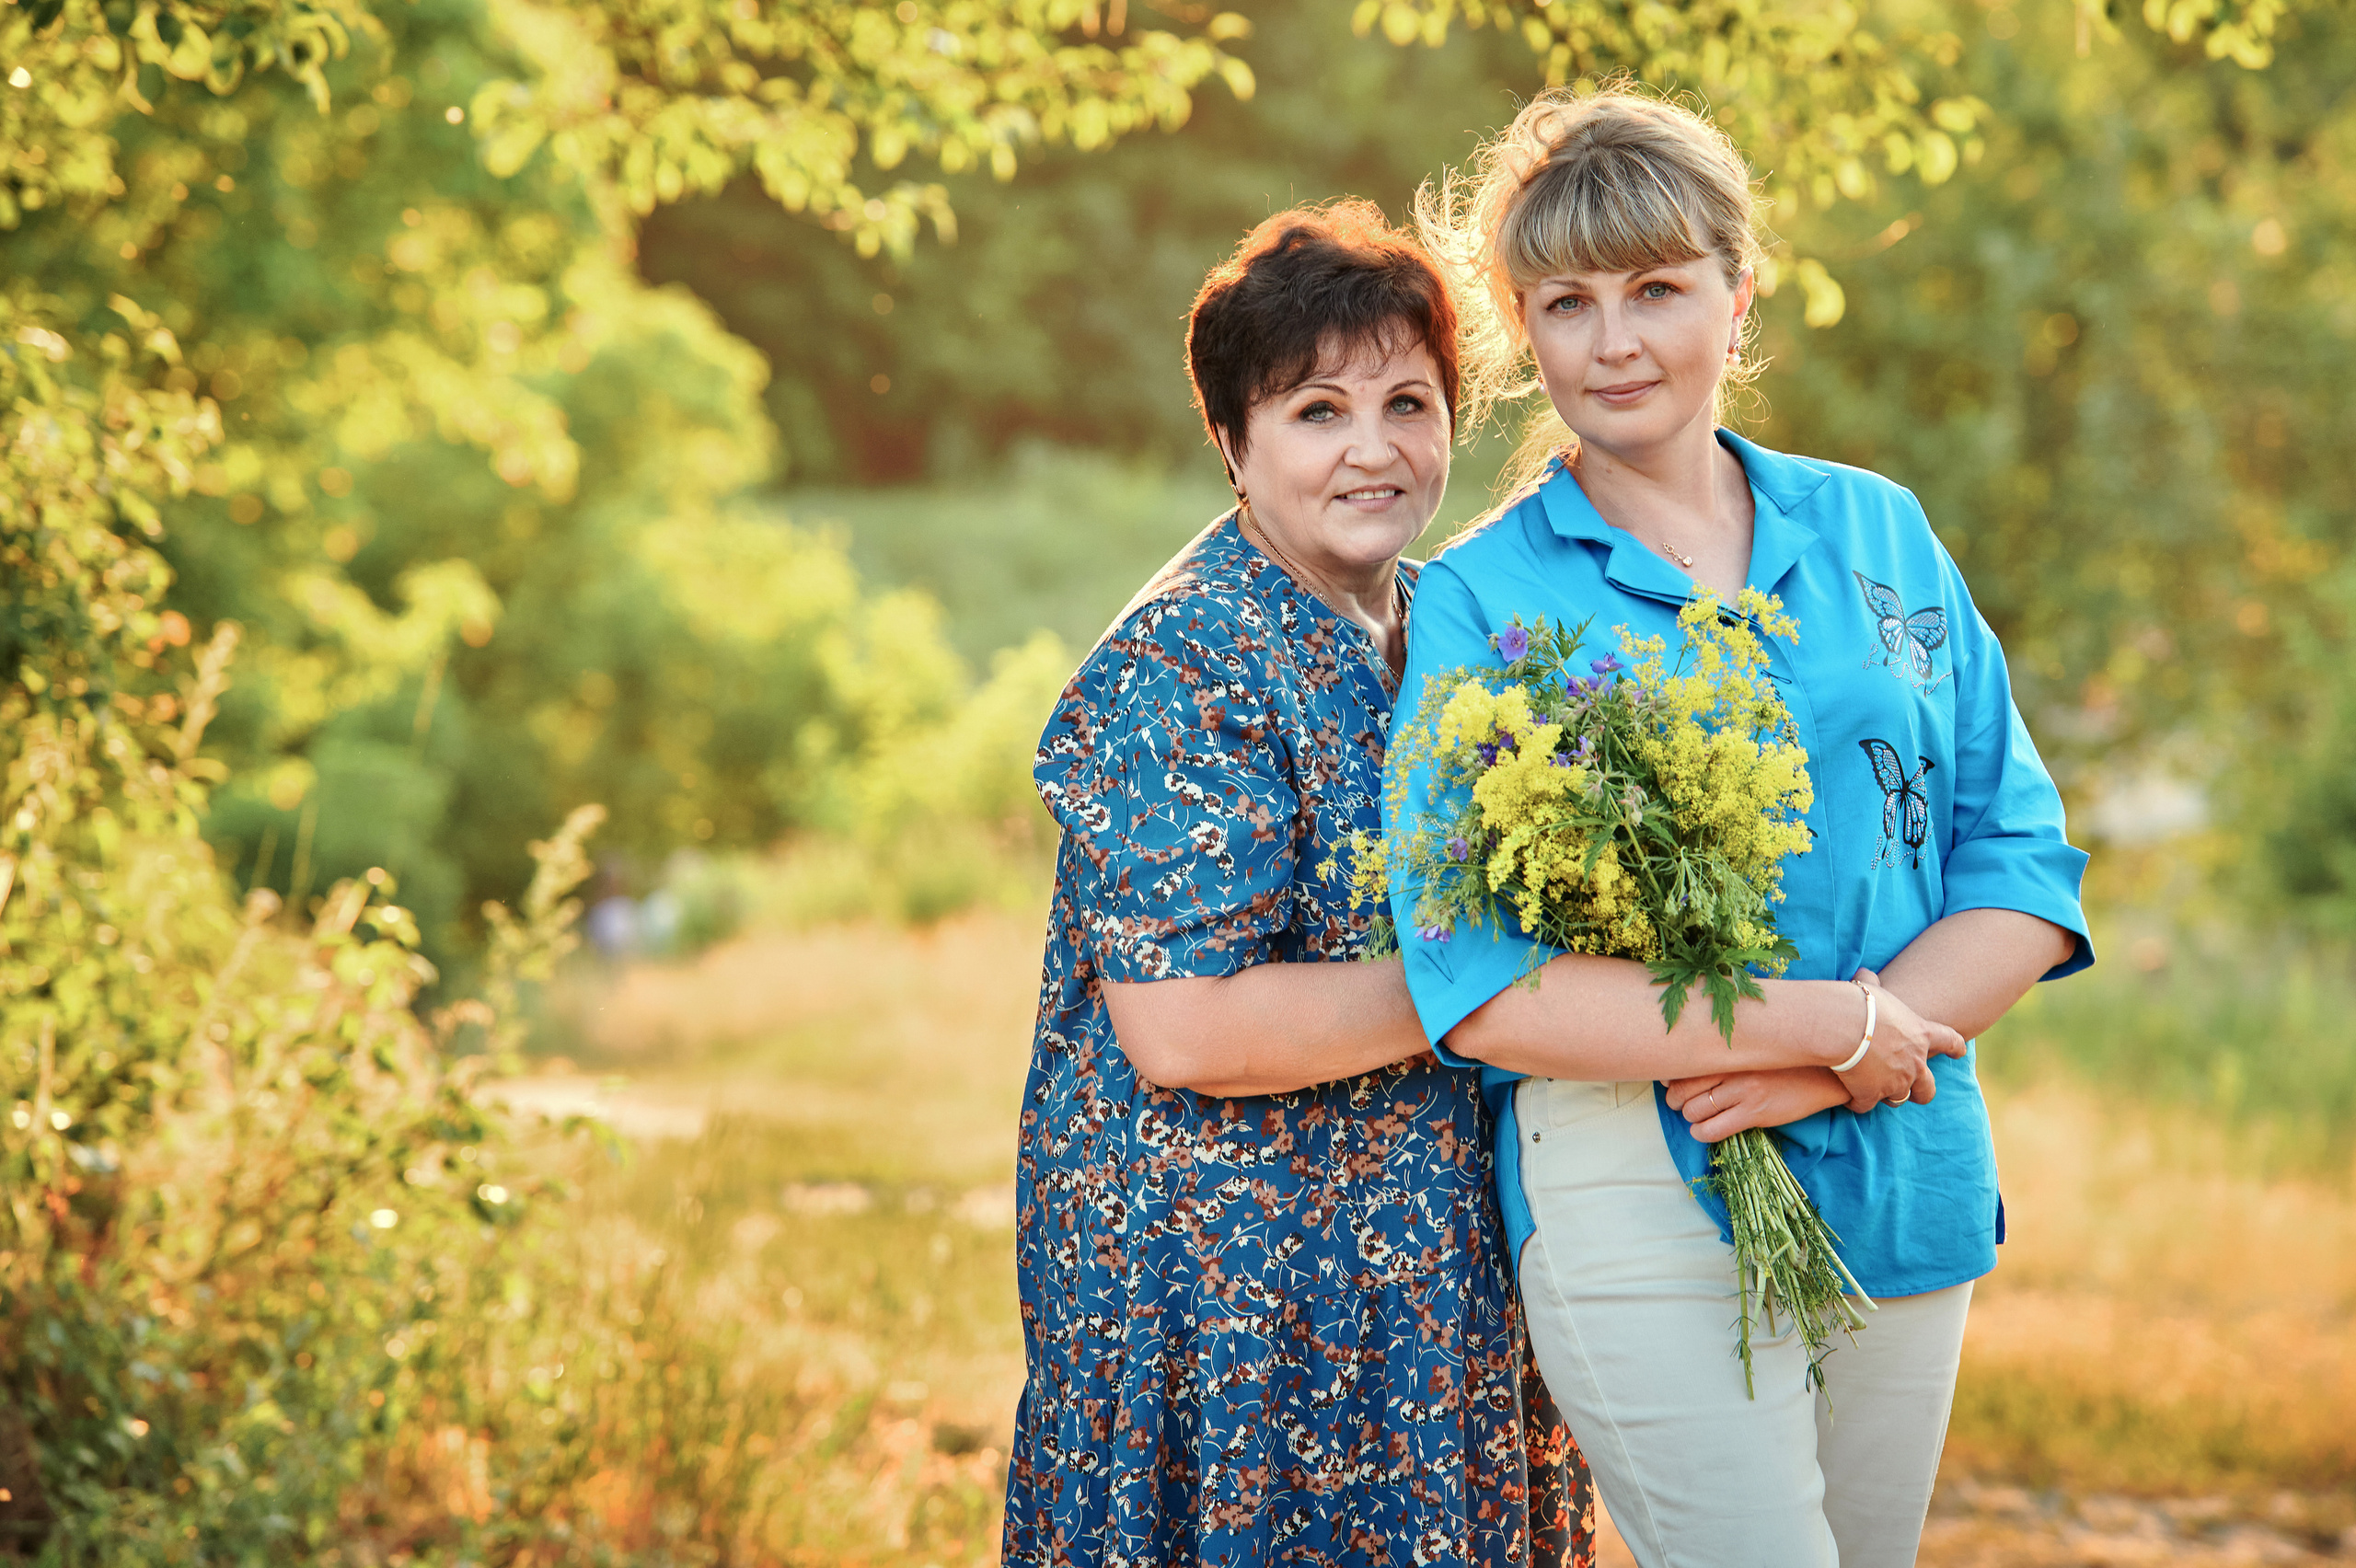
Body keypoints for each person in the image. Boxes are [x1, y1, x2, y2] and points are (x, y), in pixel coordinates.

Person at [1385, 88, 2094, 1568]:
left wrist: (1842, 1064)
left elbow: (2019, 867)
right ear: (1525, 330)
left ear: (1739, 290)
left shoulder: (1880, 530)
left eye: (1657, 289)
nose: (1616, 341)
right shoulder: (1480, 600)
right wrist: (1819, 1026)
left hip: (1901, 1162)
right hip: (1637, 1186)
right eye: (1567, 304)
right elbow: (1481, 981)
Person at [1005, 201, 1592, 1566]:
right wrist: (1508, 980)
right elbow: (1187, 1027)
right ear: (1234, 442)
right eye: (1319, 411)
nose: (1376, 448)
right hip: (1234, 1312)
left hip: (1410, 1287)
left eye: (1409, 401)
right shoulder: (1185, 661)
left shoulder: (1435, 630)